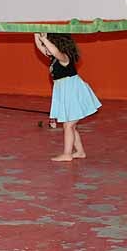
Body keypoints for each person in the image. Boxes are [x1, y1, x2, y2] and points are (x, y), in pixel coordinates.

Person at [34, 33, 101, 161]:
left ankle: (67, 154)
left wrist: (44, 38)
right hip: (66, 92)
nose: (45, 49)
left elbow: (55, 51)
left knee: (68, 126)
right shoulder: (53, 58)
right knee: (70, 124)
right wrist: (36, 35)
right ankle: (80, 152)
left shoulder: (64, 58)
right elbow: (40, 47)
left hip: (73, 92)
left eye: (48, 45)